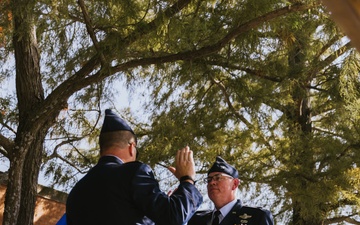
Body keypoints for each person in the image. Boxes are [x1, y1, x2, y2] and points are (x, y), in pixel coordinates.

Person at [65, 109, 203, 225]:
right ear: (132, 147)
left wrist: (159, 206)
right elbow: (174, 216)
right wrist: (187, 180)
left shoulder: (76, 192)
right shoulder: (134, 173)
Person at [188, 156, 274, 225]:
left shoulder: (257, 217)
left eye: (218, 178)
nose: (212, 183)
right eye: (209, 179)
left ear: (235, 184)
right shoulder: (197, 219)